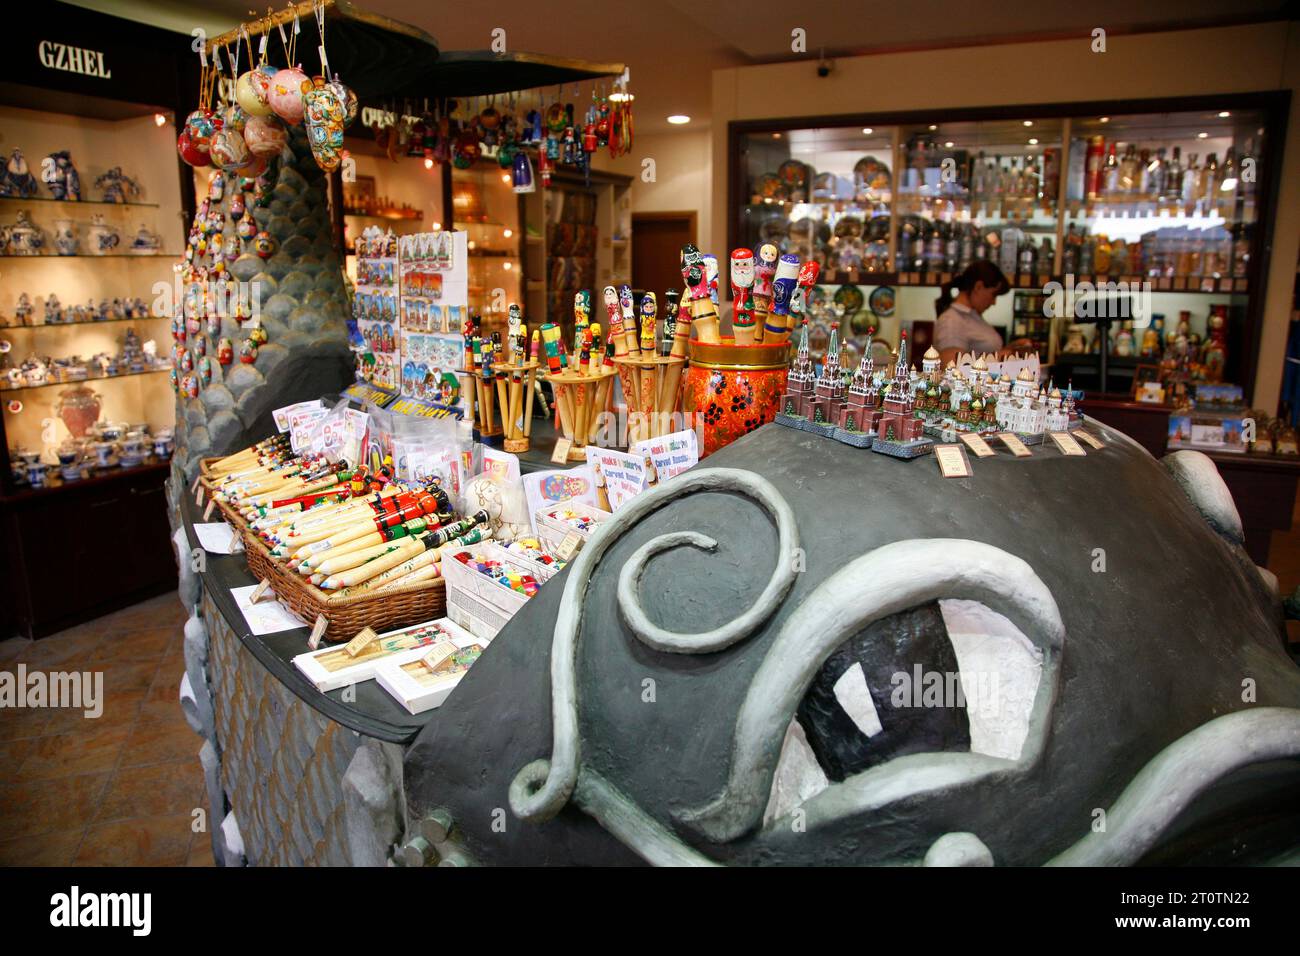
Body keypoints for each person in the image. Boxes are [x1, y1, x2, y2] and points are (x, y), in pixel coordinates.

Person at [933, 261, 1015, 365]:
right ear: (978, 287)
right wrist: (998, 357)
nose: (994, 302)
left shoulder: (972, 316)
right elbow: (951, 367)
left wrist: (1010, 349)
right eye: (993, 295)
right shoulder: (951, 320)